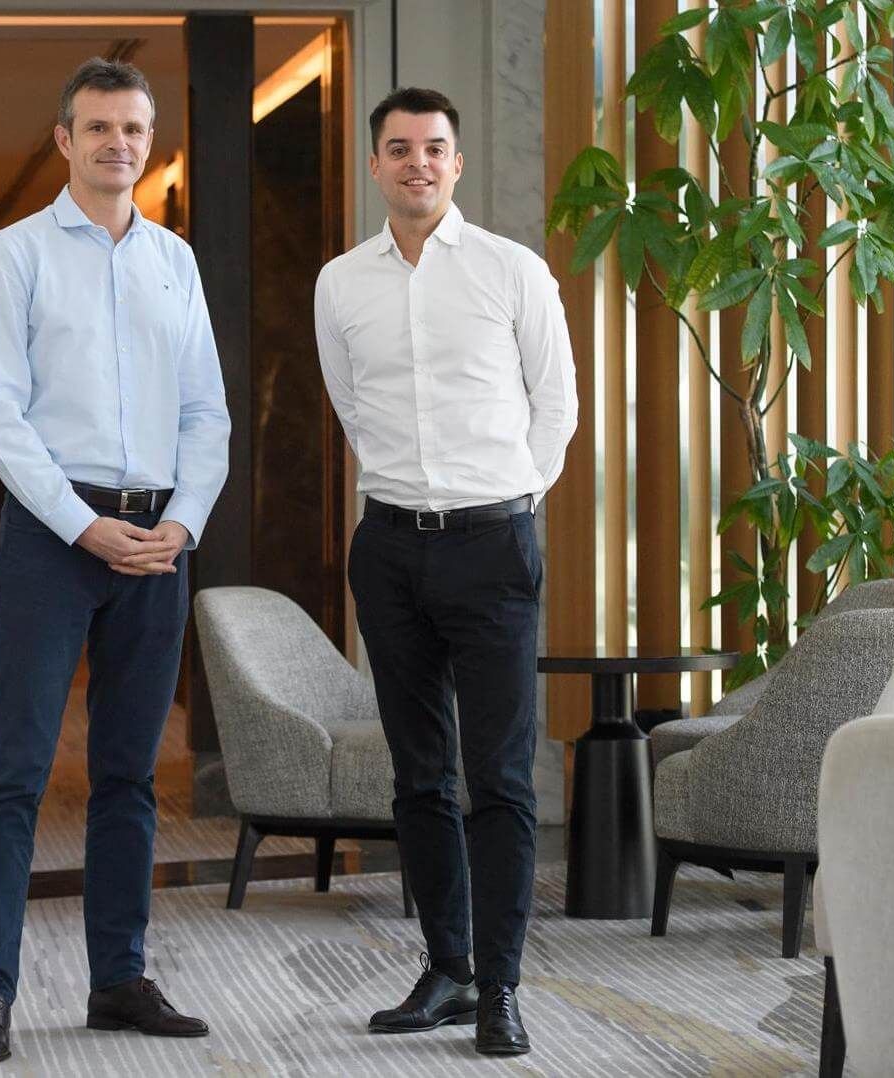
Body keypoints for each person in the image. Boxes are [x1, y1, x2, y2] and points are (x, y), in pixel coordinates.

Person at [0, 57, 230, 1065]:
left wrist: (183, 523)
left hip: (156, 545)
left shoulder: (174, 261)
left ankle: (118, 979)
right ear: (64, 140)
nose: (119, 144)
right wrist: (80, 524)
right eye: (99, 127)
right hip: (50, 541)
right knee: (17, 772)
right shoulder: (15, 254)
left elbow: (205, 412)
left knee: (129, 774)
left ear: (149, 144)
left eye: (134, 129)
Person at [313, 86, 578, 1056]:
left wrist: (507, 502)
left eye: (433, 148)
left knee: (499, 774)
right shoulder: (341, 283)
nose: (416, 162)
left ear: (456, 164)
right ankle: (448, 967)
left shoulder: (513, 271)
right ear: (375, 166)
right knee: (418, 773)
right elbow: (352, 407)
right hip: (388, 548)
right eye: (399, 148)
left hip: (492, 544)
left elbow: (555, 407)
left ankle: (501, 985)